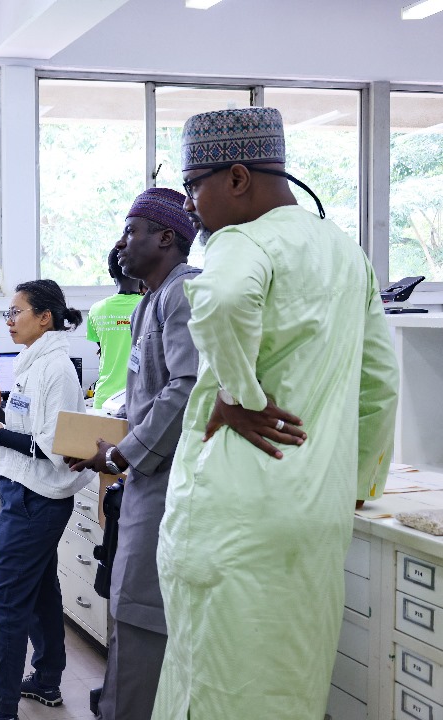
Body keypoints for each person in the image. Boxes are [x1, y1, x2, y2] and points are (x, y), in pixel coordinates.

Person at [152, 107, 400, 719]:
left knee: (215, 681)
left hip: (238, 513)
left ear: (237, 178)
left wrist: (239, 395)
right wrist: (356, 482)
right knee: (289, 679)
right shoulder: (346, 252)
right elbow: (380, 382)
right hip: (315, 511)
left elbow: (220, 298)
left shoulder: (244, 241)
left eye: (193, 187)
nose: (190, 206)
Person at [68, 187, 200, 720]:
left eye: (131, 231)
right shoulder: (149, 301)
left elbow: (187, 388)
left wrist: (123, 454)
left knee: (141, 608)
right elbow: (148, 394)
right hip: (145, 473)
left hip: (167, 480)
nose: (121, 243)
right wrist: (106, 443)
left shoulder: (183, 292)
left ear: (166, 237)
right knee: (126, 602)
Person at [0, 280, 87, 720]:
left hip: (36, 498)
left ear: (44, 318)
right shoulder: (33, 361)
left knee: (7, 600)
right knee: (41, 592)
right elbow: (25, 429)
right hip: (21, 488)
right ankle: (46, 681)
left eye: (16, 312)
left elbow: (51, 446)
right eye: (7, 313)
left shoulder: (56, 369)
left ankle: (1, 708)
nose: (8, 321)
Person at [86, 246, 143, 411]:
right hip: (140, 398)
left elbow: (102, 349)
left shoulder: (96, 310)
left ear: (110, 273)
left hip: (104, 398)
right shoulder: (150, 305)